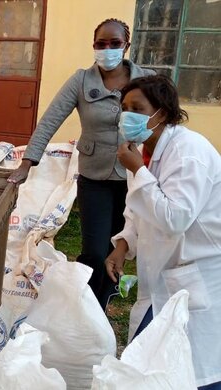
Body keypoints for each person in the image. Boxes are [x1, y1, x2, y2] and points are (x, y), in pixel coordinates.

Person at [7, 18, 154, 309]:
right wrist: (28, 162)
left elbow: (164, 118)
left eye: (115, 44)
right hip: (94, 176)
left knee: (118, 246)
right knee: (94, 249)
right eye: (101, 44)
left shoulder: (146, 79)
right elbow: (50, 119)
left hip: (133, 176)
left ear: (127, 44)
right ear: (94, 46)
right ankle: (85, 302)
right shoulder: (81, 80)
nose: (108, 49)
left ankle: (101, 302)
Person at [105, 75, 221, 389]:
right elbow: (139, 207)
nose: (128, 116)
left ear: (164, 113)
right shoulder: (142, 149)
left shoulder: (188, 153)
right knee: (151, 360)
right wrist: (124, 243)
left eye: (138, 108)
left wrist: (138, 171)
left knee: (195, 367)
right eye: (125, 107)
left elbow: (175, 218)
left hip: (199, 272)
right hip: (163, 274)